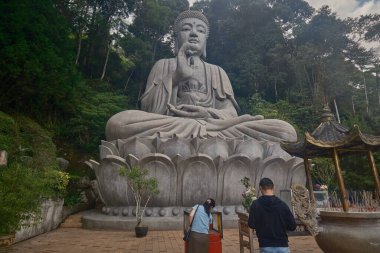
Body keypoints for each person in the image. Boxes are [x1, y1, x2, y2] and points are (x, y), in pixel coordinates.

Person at [105, 10, 297, 143]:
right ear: (176, 37)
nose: (194, 33)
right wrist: (176, 77)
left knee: (285, 131)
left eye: (200, 30)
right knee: (118, 124)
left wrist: (207, 114)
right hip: (172, 125)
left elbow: (231, 114)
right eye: (186, 28)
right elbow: (149, 110)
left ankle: (204, 137)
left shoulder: (217, 71)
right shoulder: (163, 65)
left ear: (206, 39)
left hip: (215, 127)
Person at [248, 178, 296, 253]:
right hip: (282, 245)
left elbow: (251, 224)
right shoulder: (283, 205)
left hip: (265, 245)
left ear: (260, 188)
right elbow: (292, 226)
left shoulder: (255, 205)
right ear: (273, 187)